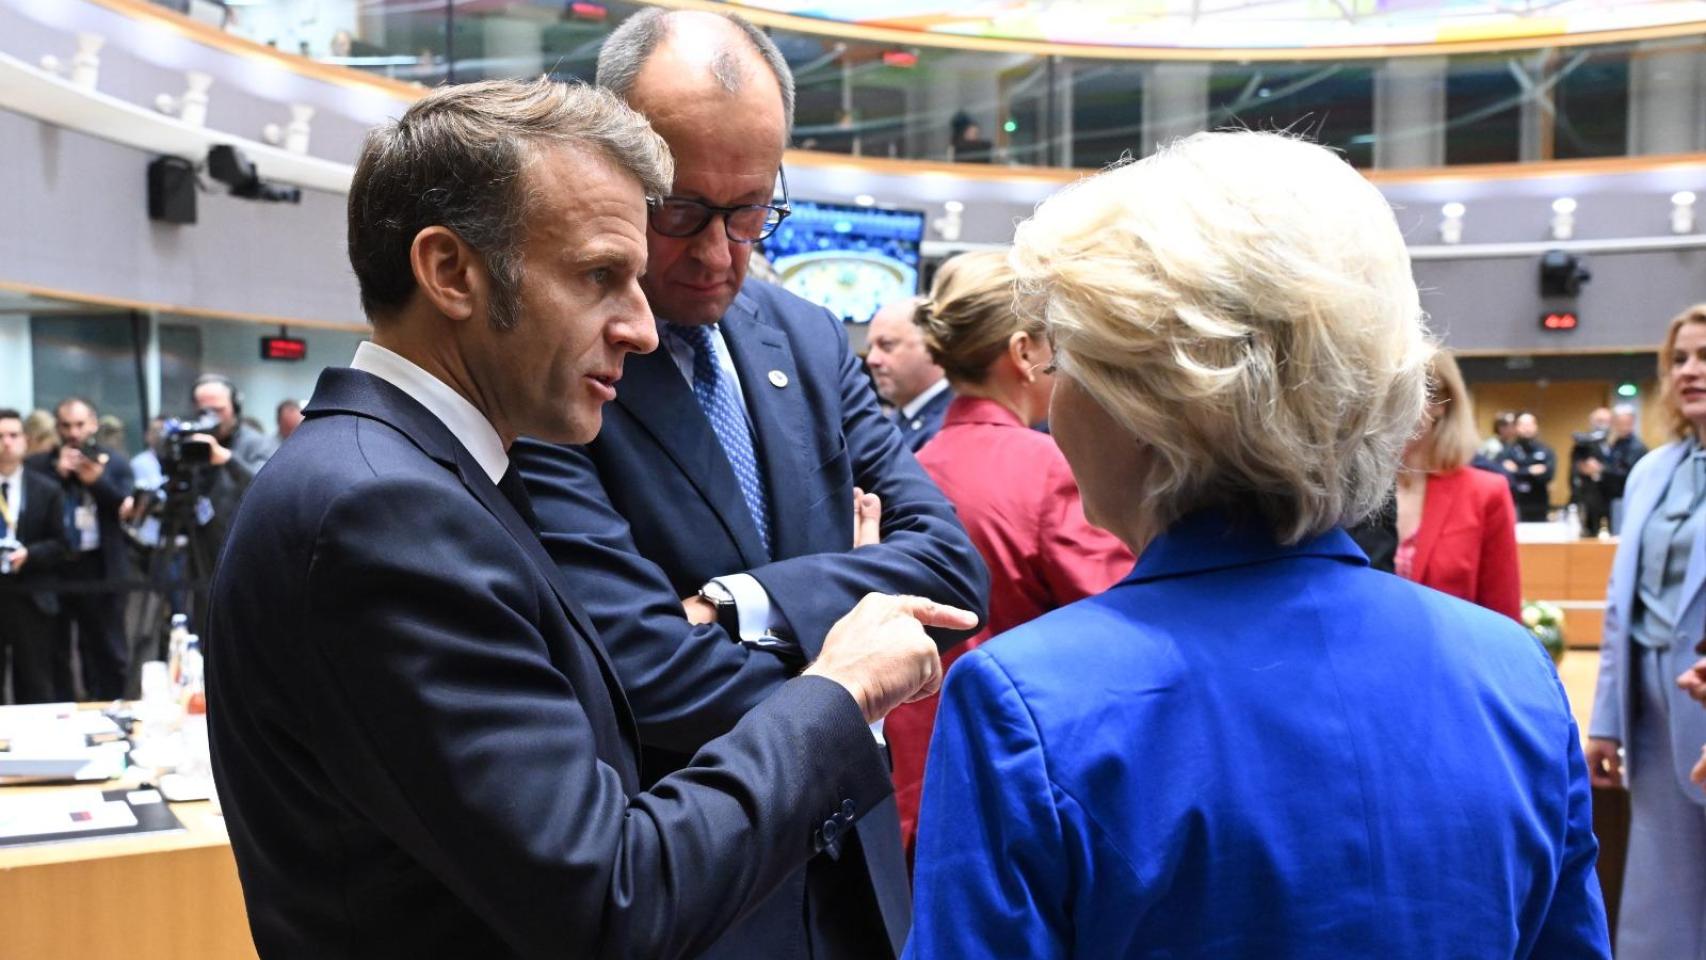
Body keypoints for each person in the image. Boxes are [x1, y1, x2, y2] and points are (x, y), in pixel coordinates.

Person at [207, 77, 971, 959]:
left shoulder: (426, 481)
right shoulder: (384, 514)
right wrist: (837, 690)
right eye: (601, 277)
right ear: (451, 271)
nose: (642, 328)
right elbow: (611, 894)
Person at [906, 131, 1609, 957]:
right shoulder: (1509, 672)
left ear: (1146, 403)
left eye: (1065, 362)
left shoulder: (1024, 704)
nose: (1055, 407)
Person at [510, 12, 988, 959]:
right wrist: (853, 658)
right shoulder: (551, 362)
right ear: (613, 162)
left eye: (752, 211)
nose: (720, 253)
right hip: (693, 893)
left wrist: (743, 603)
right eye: (681, 210)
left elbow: (948, 572)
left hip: (856, 887)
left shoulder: (806, 335)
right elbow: (645, 675)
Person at [885, 249, 1132, 857]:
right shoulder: (1050, 471)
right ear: (1024, 353)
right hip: (1021, 781)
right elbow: (1124, 631)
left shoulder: (906, 467)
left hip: (909, 783)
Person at [1587, 302, 1706, 960]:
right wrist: (1606, 718)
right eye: (1680, 359)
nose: (1691, 371)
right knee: (1661, 887)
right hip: (1653, 712)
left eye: (1705, 356)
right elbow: (1619, 607)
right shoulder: (1650, 472)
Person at [1394, 349, 1521, 620]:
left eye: (1402, 393)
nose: (1388, 409)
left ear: (1440, 402)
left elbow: (1503, 618)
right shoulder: (1350, 494)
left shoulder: (1486, 493)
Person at [25, 397, 133, 701]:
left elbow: (126, 508)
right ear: (57, 427)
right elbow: (31, 509)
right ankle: (63, 708)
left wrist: (97, 482)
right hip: (56, 567)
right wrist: (56, 478)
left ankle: (109, 704)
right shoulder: (39, 467)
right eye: (66, 425)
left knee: (105, 646)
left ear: (94, 424)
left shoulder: (115, 462)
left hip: (100, 565)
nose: (74, 433)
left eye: (80, 424)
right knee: (56, 647)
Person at [0, 409, 69, 704]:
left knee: (34, 677)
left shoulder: (47, 488)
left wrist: (30, 554)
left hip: (32, 593)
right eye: (0, 436)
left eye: (13, 435)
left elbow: (61, 543)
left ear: (25, 441)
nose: (6, 443)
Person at [186, 374, 274, 562]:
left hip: (243, 552)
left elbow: (266, 488)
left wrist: (228, 459)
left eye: (218, 410)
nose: (212, 417)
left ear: (235, 406)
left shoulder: (257, 443)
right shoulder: (193, 445)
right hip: (200, 551)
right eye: (204, 411)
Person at [867, 296, 951, 451]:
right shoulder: (895, 420)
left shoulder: (951, 426)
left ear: (931, 345)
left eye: (886, 345)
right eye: (870, 348)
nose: (872, 359)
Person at [1501, 411, 1556, 522]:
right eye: (1523, 424)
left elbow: (1548, 475)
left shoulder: (1546, 450)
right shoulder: (1507, 451)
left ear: (1536, 426)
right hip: (1515, 502)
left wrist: (1518, 470)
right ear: (1516, 427)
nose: (1526, 428)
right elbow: (1504, 475)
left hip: (1539, 503)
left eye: (1530, 424)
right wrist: (1530, 471)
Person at [1605, 403, 1649, 534]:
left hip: (1629, 498)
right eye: (1618, 422)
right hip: (1615, 497)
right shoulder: (1616, 444)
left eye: (1625, 422)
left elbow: (1629, 474)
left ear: (1632, 422)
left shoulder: (1636, 447)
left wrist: (1601, 471)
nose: (1621, 426)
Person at [1572, 406, 1615, 536]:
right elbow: (1579, 467)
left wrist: (1602, 469)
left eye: (1606, 420)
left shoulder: (1616, 442)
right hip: (1590, 496)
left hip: (1612, 495)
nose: (1603, 424)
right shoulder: (1585, 444)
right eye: (1599, 420)